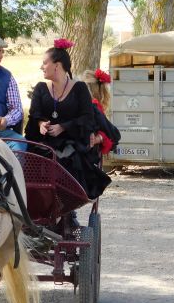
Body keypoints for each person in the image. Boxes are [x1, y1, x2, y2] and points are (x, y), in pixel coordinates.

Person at [25, 39, 111, 200]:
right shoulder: (40, 88)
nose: (41, 67)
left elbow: (87, 118)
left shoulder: (79, 89)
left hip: (73, 141)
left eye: (45, 63)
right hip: (45, 143)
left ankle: (65, 207)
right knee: (35, 159)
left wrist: (63, 127)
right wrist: (41, 124)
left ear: (56, 65)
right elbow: (34, 115)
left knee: (68, 158)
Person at [80, 68, 120, 156]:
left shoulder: (92, 106)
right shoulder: (93, 105)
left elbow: (110, 132)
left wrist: (100, 137)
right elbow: (112, 133)